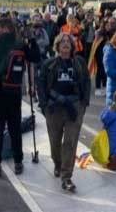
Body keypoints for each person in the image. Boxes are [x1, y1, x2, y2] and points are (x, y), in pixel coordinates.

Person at [0, 18, 39, 177]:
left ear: (5, 28)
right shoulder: (20, 43)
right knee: (15, 128)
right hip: (14, 91)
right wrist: (32, 40)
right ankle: (18, 162)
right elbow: (35, 58)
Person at [38, 33, 90, 192]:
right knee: (55, 142)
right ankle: (58, 164)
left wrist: (84, 103)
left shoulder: (79, 62)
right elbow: (41, 85)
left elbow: (86, 82)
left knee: (70, 141)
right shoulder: (49, 64)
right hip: (54, 108)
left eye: (68, 42)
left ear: (72, 46)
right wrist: (44, 105)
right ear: (57, 46)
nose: (66, 44)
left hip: (74, 108)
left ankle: (66, 176)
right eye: (62, 42)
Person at [89, 16, 116, 97]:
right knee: (99, 70)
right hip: (99, 54)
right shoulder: (99, 32)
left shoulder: (110, 33)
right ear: (104, 25)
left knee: (105, 71)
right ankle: (98, 88)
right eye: (107, 25)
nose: (109, 26)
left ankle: (105, 86)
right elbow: (96, 44)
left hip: (106, 54)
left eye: (110, 25)